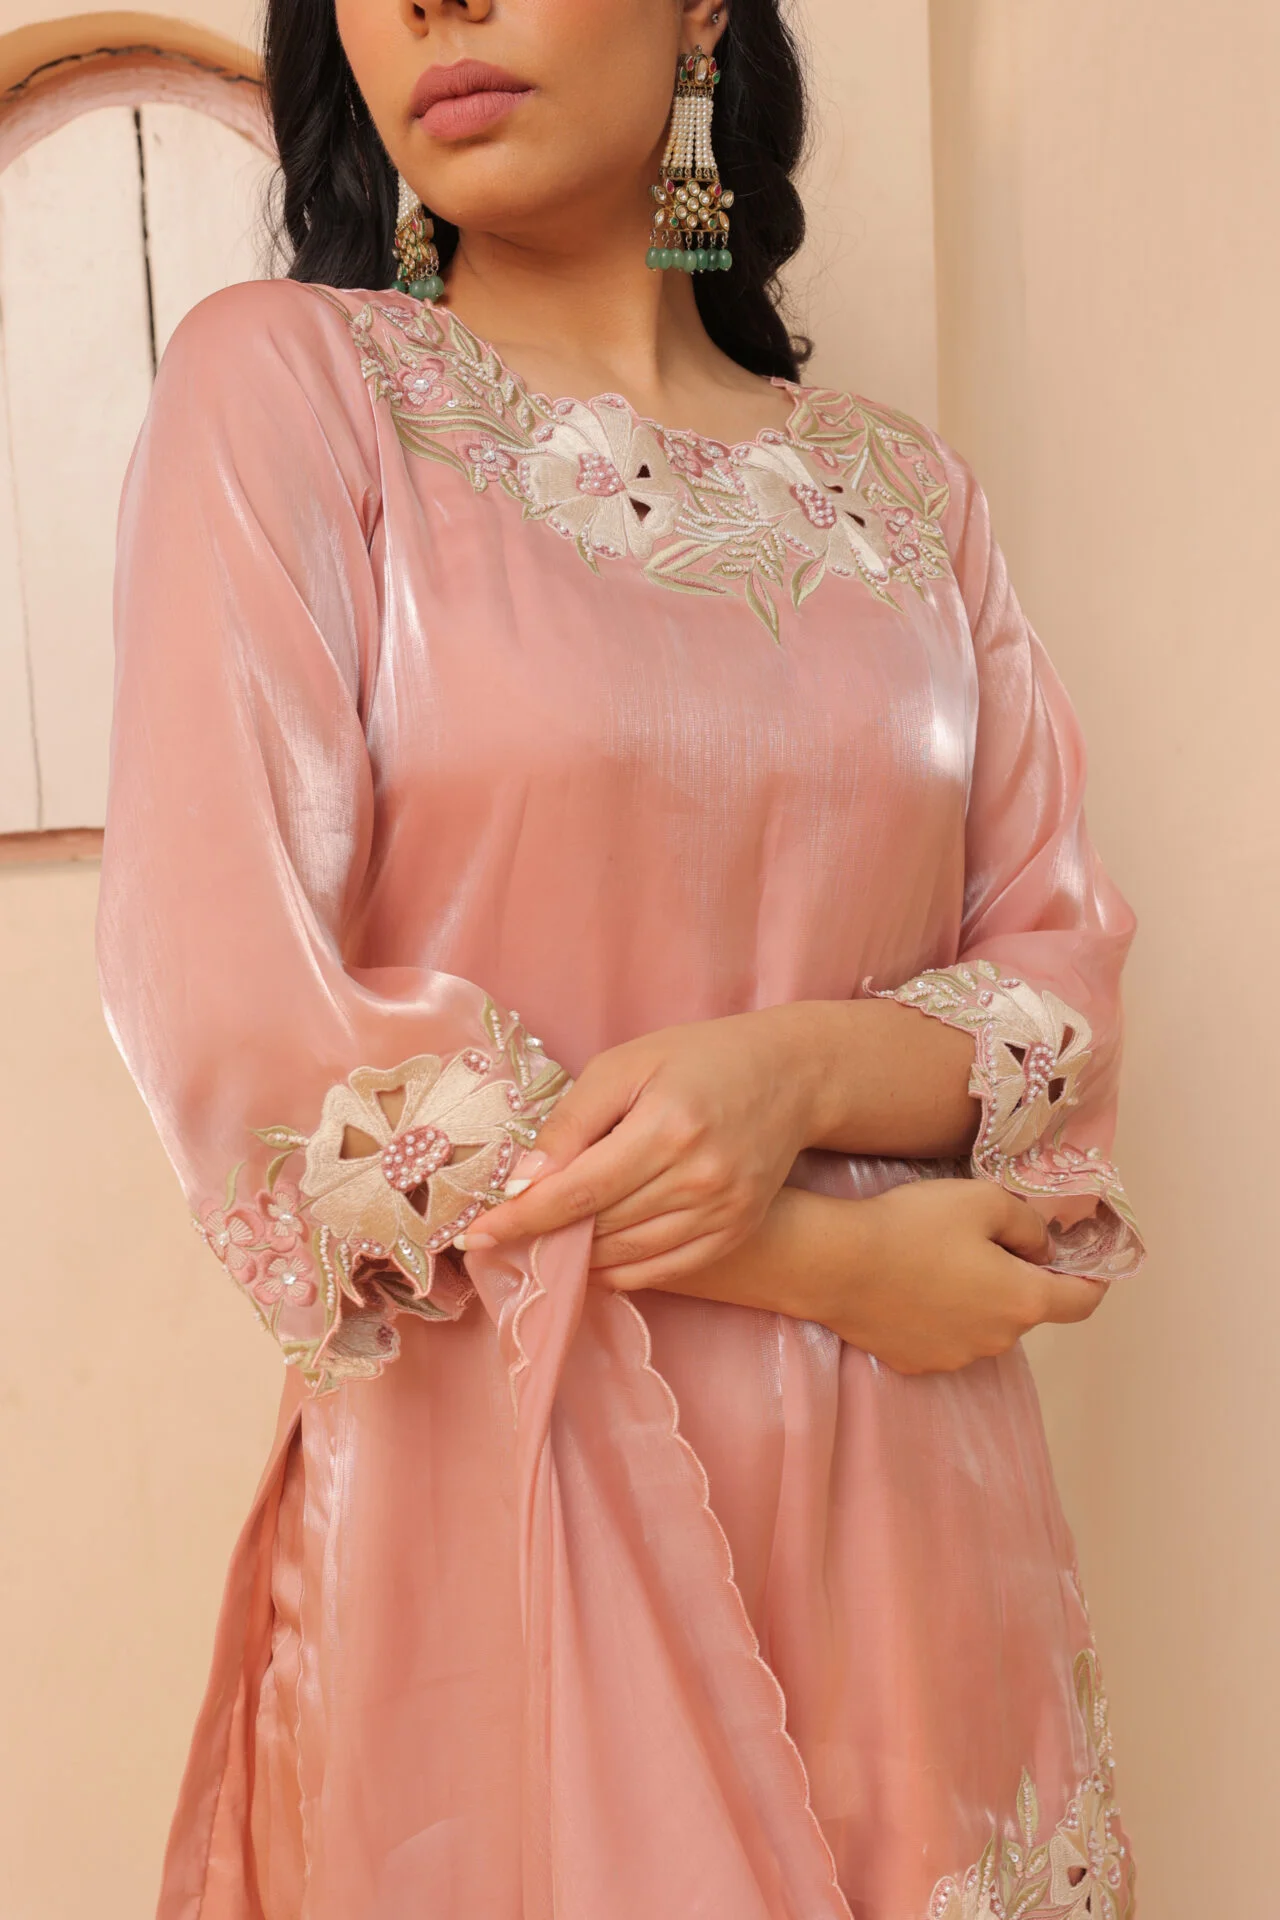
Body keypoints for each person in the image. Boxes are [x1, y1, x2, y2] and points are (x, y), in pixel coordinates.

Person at [95, 0, 1146, 1914]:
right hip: (511, 1517)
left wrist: (794, 1076)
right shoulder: (295, 394)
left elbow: (1060, 989)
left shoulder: (910, 500)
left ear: (703, 11)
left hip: (923, 1533)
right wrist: (827, 1256)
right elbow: (254, 1032)